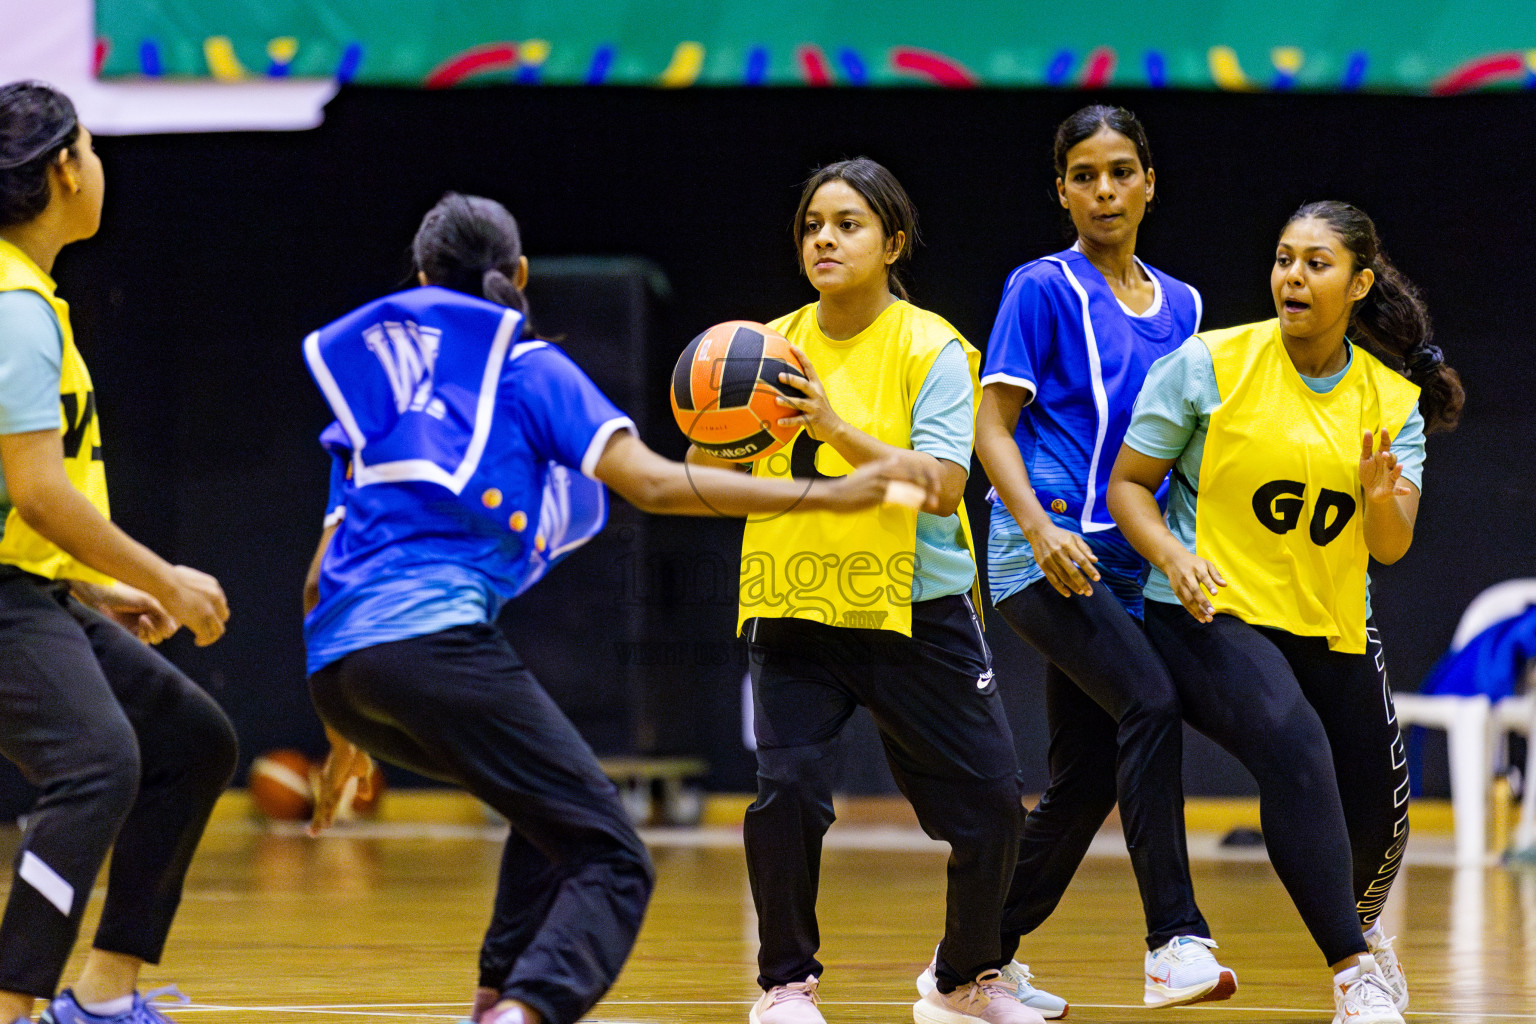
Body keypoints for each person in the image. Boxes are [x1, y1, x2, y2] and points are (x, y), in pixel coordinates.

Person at [300, 192, 931, 1024]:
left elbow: (318, 578)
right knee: (614, 860)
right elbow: (657, 483)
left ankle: (494, 996)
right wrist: (831, 494)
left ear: (420, 279)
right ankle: (528, 1012)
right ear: (518, 276)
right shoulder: (528, 368)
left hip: (337, 666)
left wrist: (344, 734)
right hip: (435, 645)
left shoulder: (379, 397)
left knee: (542, 810)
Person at [687, 158, 1036, 1024]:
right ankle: (784, 985)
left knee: (992, 810)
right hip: (800, 602)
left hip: (918, 607)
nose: (825, 240)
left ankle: (966, 975)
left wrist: (833, 429)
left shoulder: (934, 346)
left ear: (893, 243)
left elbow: (945, 486)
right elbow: (699, 475)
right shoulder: (759, 348)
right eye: (812, 225)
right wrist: (730, 452)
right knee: (789, 795)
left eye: (847, 224)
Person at [1107, 200, 1464, 1024]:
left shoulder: (1390, 400)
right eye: (1283, 259)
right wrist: (1172, 555)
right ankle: (1353, 975)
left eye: (1316, 263)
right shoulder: (1210, 363)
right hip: (1211, 608)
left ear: (1359, 284)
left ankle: (1363, 930)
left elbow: (1390, 547)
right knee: (1293, 743)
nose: (1293, 277)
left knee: (1378, 814)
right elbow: (1130, 486)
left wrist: (1381, 499)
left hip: (1328, 621)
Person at [965, 104, 1233, 1011]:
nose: (1105, 189)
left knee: (1081, 785)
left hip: (1128, 565)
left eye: (1121, 171)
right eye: (1085, 174)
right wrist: (1039, 526)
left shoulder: (1187, 306)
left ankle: (966, 964)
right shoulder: (1039, 288)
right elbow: (989, 426)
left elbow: (1180, 446)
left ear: (1150, 182)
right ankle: (1174, 941)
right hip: (1039, 559)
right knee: (1150, 700)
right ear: (1062, 191)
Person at [0, 81, 237, 1024]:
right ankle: (16, 1004)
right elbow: (38, 491)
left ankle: (102, 998)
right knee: (97, 763)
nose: (100, 169)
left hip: (31, 591)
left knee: (188, 741)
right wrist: (158, 575)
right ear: (64, 169)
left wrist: (90, 590)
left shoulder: (26, 299)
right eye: (93, 150)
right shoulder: (15, 309)